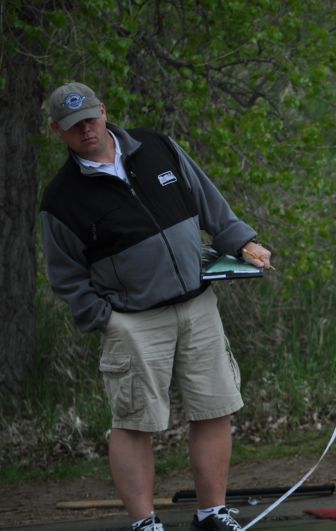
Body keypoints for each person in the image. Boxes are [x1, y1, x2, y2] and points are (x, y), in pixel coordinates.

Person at [40, 82, 272, 531]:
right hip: (133, 321)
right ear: (57, 131)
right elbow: (65, 275)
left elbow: (208, 201)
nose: (86, 130)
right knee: (134, 422)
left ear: (103, 111)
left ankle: (212, 513)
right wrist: (107, 320)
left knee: (214, 407)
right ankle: (145, 523)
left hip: (197, 303)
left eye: (90, 119)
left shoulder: (156, 147)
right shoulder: (60, 198)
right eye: (73, 126)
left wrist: (243, 242)